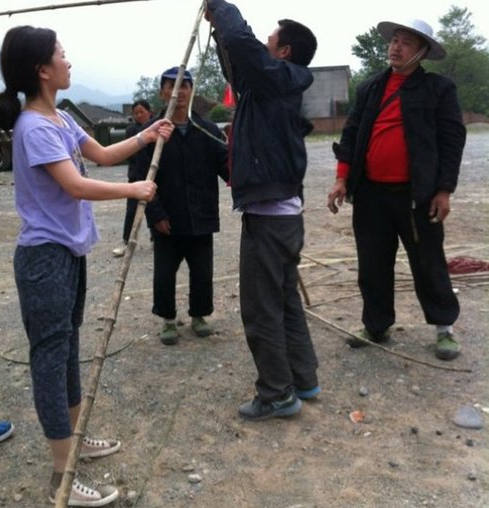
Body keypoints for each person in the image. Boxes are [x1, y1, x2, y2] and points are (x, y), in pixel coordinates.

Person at [0, 25, 173, 506]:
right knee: (51, 360)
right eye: (62, 56)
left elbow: (106, 156)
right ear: (43, 70)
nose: (69, 63)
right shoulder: (34, 126)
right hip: (44, 259)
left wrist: (147, 134)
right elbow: (75, 185)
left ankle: (74, 441)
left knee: (68, 347)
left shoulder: (60, 119)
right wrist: (134, 192)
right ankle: (60, 473)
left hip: (68, 254)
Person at [205, 1, 320, 421]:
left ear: (284, 51)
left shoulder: (280, 78)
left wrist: (223, 7)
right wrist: (219, 30)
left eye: (271, 39)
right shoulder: (269, 84)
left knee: (261, 309)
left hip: (271, 219)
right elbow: (237, 59)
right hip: (281, 214)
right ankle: (303, 379)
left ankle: (276, 394)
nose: (264, 42)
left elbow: (241, 41)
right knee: (284, 299)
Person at [327, 19, 466, 361]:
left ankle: (444, 328)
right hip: (372, 194)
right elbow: (352, 133)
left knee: (428, 262)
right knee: (372, 263)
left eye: (406, 42)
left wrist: (444, 190)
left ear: (421, 52)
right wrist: (342, 178)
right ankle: (376, 325)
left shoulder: (438, 89)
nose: (396, 47)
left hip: (417, 195)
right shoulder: (371, 87)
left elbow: (452, 141)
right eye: (395, 41)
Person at [138, 67, 229, 345]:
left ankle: (199, 315)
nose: (178, 92)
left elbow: (227, 169)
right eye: (171, 87)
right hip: (168, 218)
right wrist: (155, 214)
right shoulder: (153, 134)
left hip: (201, 215)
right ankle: (167, 319)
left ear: (191, 91)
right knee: (165, 272)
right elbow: (140, 178)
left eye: (184, 86)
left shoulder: (207, 130)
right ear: (163, 93)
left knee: (202, 271)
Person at [112, 99, 154, 257]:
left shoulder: (156, 127)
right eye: (136, 113)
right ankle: (126, 241)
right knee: (132, 210)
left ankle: (155, 238)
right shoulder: (132, 130)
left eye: (142, 112)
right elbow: (132, 154)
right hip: (136, 176)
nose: (139, 115)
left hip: (155, 175)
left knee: (154, 207)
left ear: (149, 112)